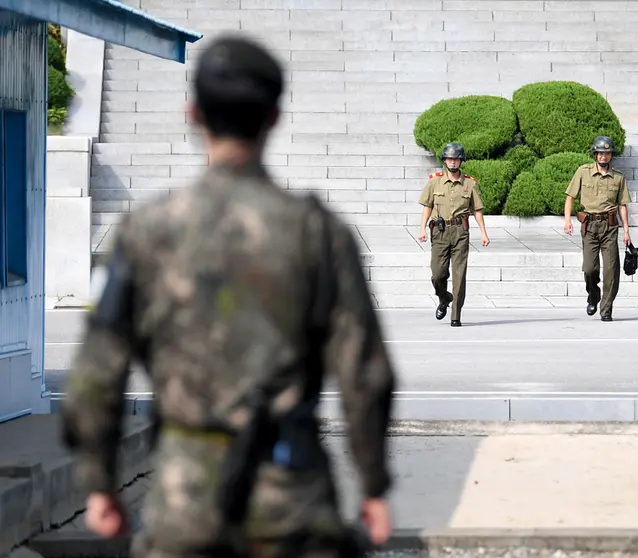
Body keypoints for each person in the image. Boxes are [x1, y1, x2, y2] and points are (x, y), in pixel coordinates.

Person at [59, 34, 397, 558]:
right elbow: (366, 373)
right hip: (291, 494)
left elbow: (94, 375)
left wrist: (99, 482)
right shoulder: (317, 232)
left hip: (183, 496)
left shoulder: (146, 231)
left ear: (194, 114)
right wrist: (373, 484)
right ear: (274, 118)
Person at [417, 142, 490, 327]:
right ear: (445, 160)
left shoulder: (470, 184)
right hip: (439, 232)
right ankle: (444, 297)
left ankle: (456, 316)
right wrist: (422, 228)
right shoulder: (434, 181)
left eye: (455, 159)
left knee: (459, 275)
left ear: (460, 161)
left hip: (460, 232)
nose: (452, 162)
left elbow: (478, 210)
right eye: (449, 159)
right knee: (437, 273)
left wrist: (483, 233)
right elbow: (428, 207)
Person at [564, 136, 632, 322]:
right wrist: (568, 220)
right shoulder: (583, 172)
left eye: (607, 153)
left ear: (611, 156)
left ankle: (606, 308)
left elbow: (622, 205)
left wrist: (626, 230)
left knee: (611, 270)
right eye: (600, 153)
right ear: (595, 154)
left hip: (610, 226)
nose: (603, 157)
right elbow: (570, 196)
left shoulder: (618, 177)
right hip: (590, 226)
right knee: (589, 268)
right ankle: (593, 294)